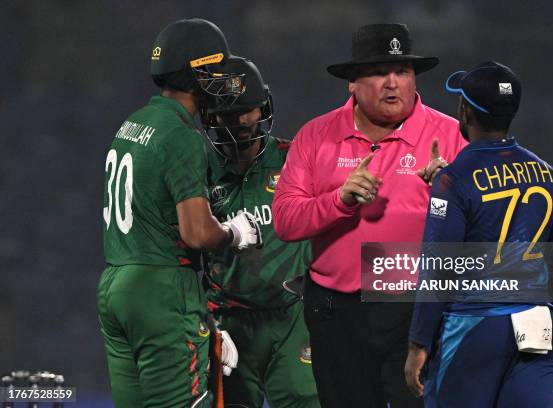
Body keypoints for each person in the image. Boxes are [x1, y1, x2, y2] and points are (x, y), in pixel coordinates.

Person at [272, 23, 466, 407]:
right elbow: (286, 221)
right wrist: (339, 200)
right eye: (379, 72)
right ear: (352, 83)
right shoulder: (315, 136)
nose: (392, 83)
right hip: (337, 313)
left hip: (417, 312)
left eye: (402, 72)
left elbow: (489, 231)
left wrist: (451, 194)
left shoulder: (453, 135)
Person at [97, 19, 262, 408]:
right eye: (216, 70)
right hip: (162, 288)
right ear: (196, 74)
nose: (222, 80)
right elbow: (197, 233)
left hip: (115, 285)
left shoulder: (133, 123)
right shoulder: (182, 135)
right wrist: (233, 232)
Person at [405, 61, 553, 407]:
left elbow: (438, 268)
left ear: (465, 112)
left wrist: (419, 343)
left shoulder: (454, 180)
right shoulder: (551, 177)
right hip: (539, 326)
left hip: (474, 327)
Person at [201, 57, 320, 408]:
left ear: (264, 107)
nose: (241, 121)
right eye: (229, 112)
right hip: (229, 321)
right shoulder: (196, 171)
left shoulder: (295, 158)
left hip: (292, 317)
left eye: (249, 110)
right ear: (210, 116)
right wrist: (202, 320)